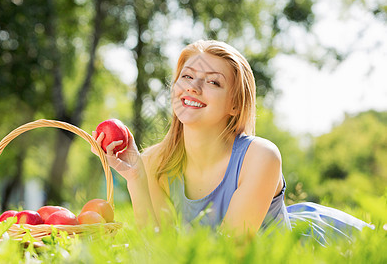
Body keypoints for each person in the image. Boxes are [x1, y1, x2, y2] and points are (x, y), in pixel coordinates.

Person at [92, 40, 373, 245]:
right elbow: (160, 250)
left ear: (235, 104)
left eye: (213, 82)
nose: (192, 86)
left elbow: (227, 254)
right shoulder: (154, 162)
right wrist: (136, 177)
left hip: (322, 246)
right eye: (187, 76)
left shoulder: (261, 156)